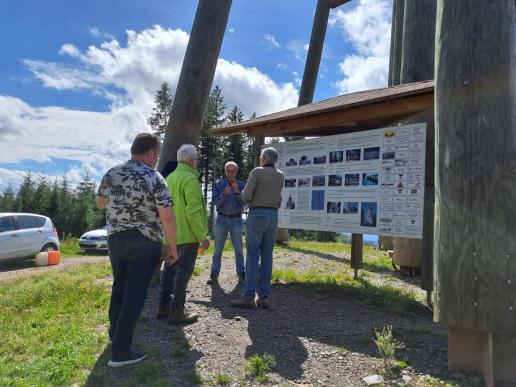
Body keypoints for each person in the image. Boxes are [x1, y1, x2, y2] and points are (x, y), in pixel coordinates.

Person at [97, 132, 178, 368]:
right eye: (157, 154)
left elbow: (100, 202)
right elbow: (167, 218)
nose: (157, 159)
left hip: (115, 239)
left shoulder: (112, 172)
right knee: (135, 294)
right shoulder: (154, 177)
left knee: (119, 287)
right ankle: (120, 352)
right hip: (144, 240)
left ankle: (115, 335)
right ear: (150, 153)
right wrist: (172, 247)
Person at [157, 144, 210, 324]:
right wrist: (202, 236)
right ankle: (177, 312)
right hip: (187, 236)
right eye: (196, 158)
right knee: (183, 273)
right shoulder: (190, 180)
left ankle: (163, 308)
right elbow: (193, 212)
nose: (197, 161)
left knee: (169, 270)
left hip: (169, 235)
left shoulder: (169, 178)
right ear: (191, 160)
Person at [230, 147, 284, 309]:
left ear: (264, 158)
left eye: (261, 157)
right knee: (267, 255)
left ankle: (248, 297)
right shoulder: (280, 175)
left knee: (253, 255)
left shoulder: (257, 172)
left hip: (257, 214)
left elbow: (246, 197)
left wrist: (238, 194)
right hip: (273, 216)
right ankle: (264, 297)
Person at [207, 161, 246, 286]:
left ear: (236, 171)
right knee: (218, 249)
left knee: (238, 249)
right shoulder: (219, 185)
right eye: (228, 171)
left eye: (233, 171)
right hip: (222, 219)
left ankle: (241, 275)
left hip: (237, 220)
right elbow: (215, 202)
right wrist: (224, 194)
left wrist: (238, 192)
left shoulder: (241, 185)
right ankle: (214, 275)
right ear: (225, 171)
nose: (230, 173)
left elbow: (245, 204)